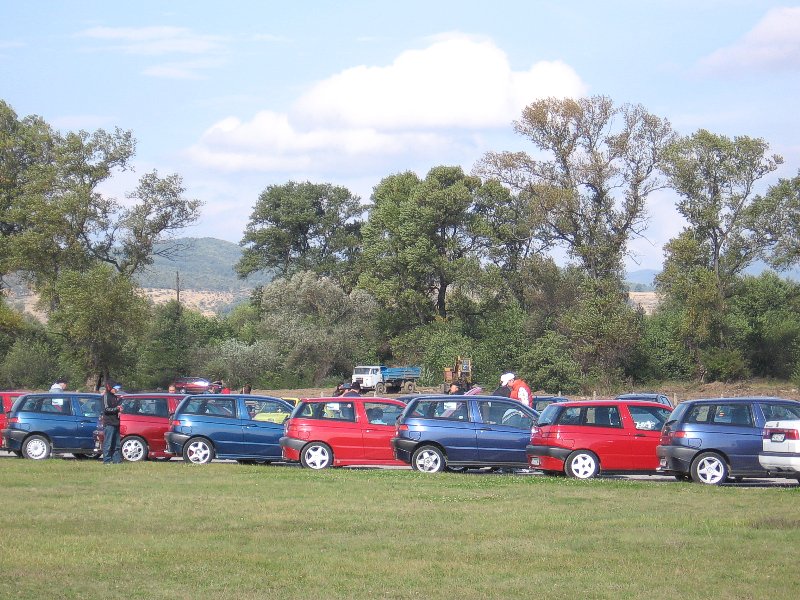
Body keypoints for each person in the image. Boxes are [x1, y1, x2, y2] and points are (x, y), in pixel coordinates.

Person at [101, 383, 124, 464]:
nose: (117, 390)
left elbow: (117, 409)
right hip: (109, 424)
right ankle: (106, 460)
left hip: (116, 423)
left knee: (117, 444)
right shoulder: (106, 396)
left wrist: (120, 409)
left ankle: (116, 460)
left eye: (118, 388)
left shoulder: (115, 397)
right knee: (108, 443)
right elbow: (106, 409)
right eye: (116, 388)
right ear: (110, 387)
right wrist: (116, 409)